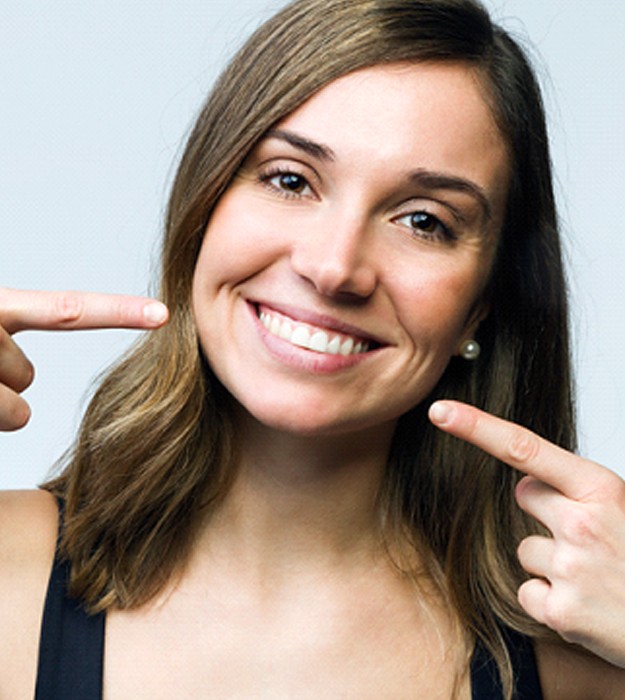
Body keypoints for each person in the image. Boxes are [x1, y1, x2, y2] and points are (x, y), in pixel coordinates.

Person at [2, 0, 625, 697]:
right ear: (203, 203)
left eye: (423, 221)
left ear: (482, 301)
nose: (333, 267)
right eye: (290, 180)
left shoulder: (578, 649)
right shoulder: (6, 578)